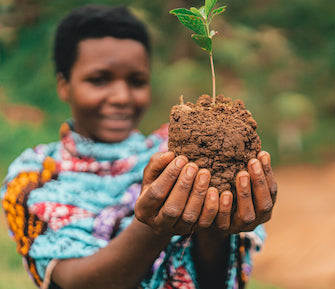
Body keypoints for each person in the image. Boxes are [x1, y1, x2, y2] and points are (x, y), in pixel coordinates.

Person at [1, 5, 277, 289]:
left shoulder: (171, 154)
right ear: (64, 85)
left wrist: (217, 228)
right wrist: (152, 227)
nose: (121, 97)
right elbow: (72, 283)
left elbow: (214, 279)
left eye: (136, 81)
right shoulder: (35, 177)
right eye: (99, 80)